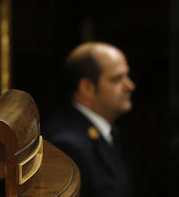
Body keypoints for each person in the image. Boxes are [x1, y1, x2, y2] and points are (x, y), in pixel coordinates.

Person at [44, 42, 135, 197]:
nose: (130, 86)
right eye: (117, 79)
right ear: (87, 88)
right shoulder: (68, 145)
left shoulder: (104, 131)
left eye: (127, 76)